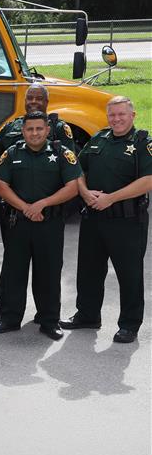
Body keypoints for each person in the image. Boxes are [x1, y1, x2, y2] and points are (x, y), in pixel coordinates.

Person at [62, 96, 151, 344]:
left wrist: (111, 198)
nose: (116, 119)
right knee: (88, 270)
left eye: (121, 114)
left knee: (129, 274)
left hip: (127, 221)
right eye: (112, 114)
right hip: (94, 217)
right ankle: (87, 315)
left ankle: (129, 324)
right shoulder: (99, 138)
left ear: (132, 115)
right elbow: (77, 169)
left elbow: (148, 180)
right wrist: (84, 192)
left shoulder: (143, 143)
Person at [0, 83, 77, 316]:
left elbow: (70, 166)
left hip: (49, 211)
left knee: (47, 266)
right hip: (14, 208)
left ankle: (46, 315)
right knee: (13, 258)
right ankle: (5, 303)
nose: (34, 102)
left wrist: (44, 202)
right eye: (30, 98)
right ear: (24, 101)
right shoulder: (12, 126)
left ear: (47, 102)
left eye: (39, 98)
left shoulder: (60, 128)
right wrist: (11, 178)